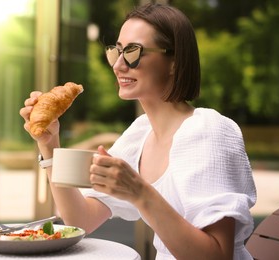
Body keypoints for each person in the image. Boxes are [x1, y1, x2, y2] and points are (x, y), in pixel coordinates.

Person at [20, 3, 256, 259]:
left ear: (174, 62)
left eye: (133, 52)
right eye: (116, 51)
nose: (118, 65)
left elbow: (217, 256)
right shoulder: (141, 133)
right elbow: (81, 221)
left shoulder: (209, 131)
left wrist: (140, 192)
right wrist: (49, 144)